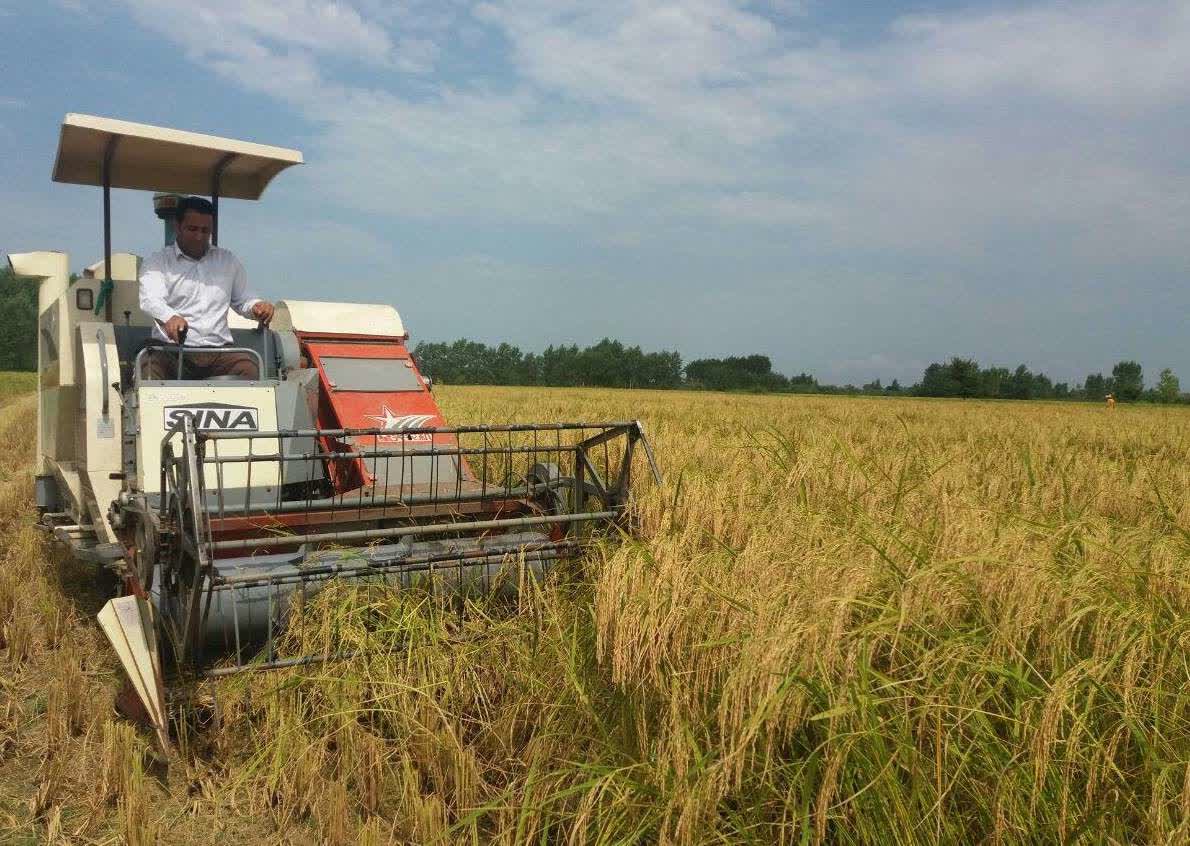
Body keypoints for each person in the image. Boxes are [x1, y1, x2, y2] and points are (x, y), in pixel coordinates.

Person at [138, 196, 275, 380]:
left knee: (250, 368)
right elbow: (150, 300)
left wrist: (257, 306)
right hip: (171, 351)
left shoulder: (227, 261)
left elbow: (244, 299)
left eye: (205, 230)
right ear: (177, 227)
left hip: (219, 353)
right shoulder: (157, 262)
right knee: (148, 369)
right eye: (192, 229)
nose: (199, 236)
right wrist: (169, 317)